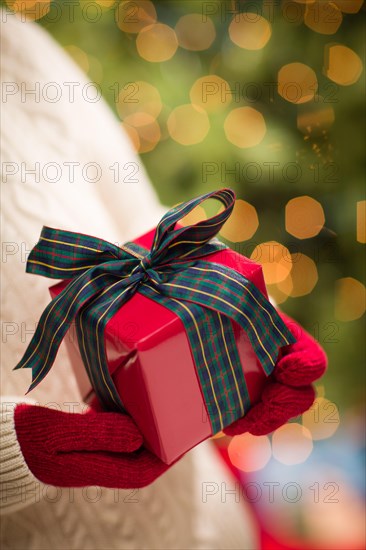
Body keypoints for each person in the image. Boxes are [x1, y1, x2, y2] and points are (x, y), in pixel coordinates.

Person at [0, 12, 326, 550]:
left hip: (213, 529)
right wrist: (14, 450)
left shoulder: (16, 46)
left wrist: (239, 312)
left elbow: (140, 226)